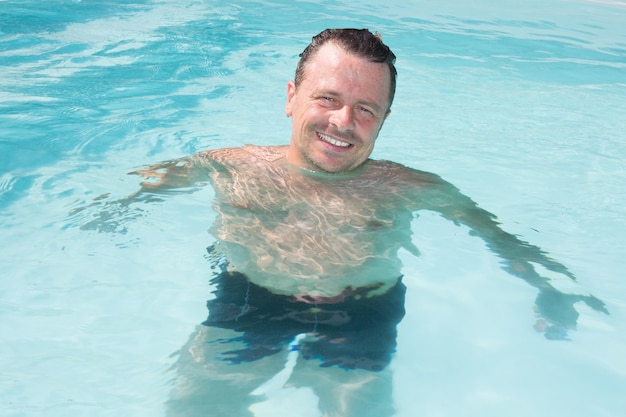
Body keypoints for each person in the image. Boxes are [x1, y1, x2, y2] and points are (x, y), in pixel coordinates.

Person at [91, 29, 607, 416]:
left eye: (365, 109)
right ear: (291, 96)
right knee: (194, 407)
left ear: (384, 118)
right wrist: (106, 213)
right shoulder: (228, 165)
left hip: (359, 314)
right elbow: (133, 187)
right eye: (328, 98)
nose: (343, 123)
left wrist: (550, 288)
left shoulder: (408, 188)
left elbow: (498, 238)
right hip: (248, 300)